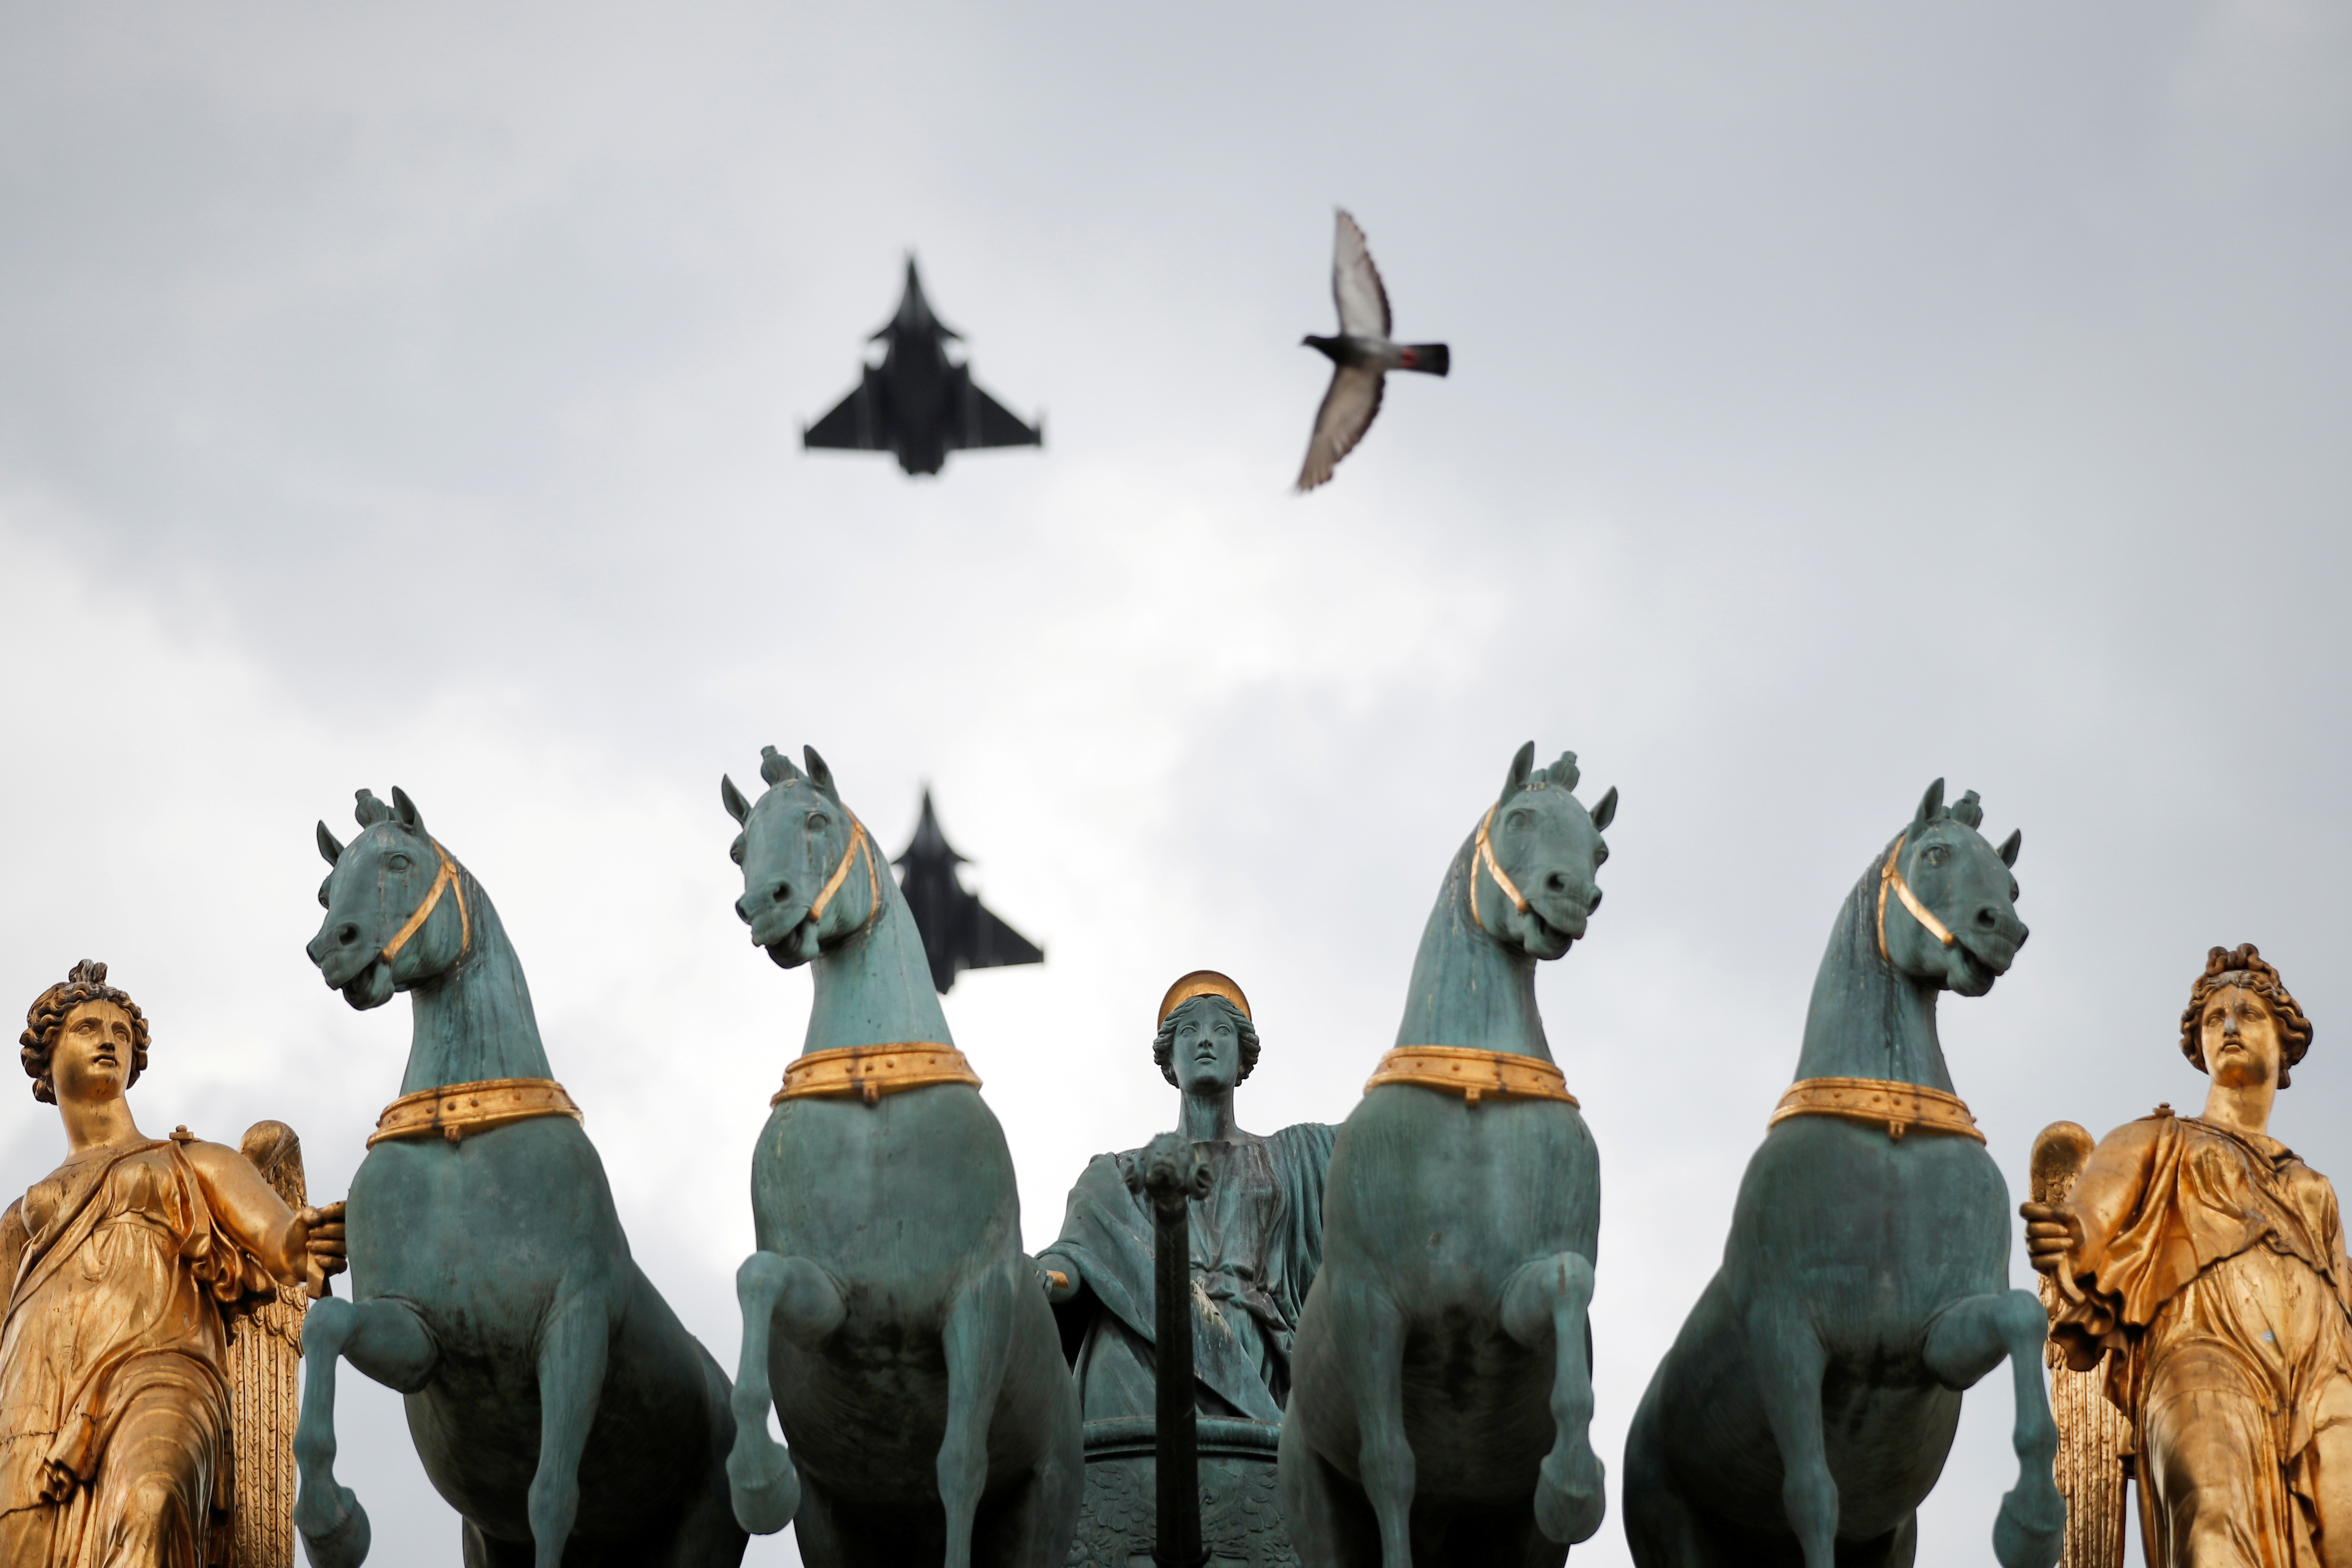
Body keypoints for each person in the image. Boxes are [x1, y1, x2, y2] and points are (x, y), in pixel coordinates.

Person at [0, 961, 346, 1567]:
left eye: (120, 1030)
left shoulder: (192, 1161)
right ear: (45, 1062)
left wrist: (311, 1238)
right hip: (35, 1395)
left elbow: (281, 1239)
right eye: (87, 1027)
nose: (109, 1038)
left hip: (162, 1368)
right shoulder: (21, 1217)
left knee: (155, 1497)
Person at [2025, 943, 2352, 1568]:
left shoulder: (2314, 1189)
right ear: (2198, 1045)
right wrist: (2067, 1239)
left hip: (2321, 1375)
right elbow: (2090, 1219)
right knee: (2211, 1517)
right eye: (2212, 1019)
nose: (2227, 1027)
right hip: (2200, 1351)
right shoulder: (2154, 1139)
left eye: (2247, 1014)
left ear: (2283, 1044)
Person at [1038, 972, 1334, 1422]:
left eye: (1221, 1031)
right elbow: (1077, 1260)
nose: (1205, 1042)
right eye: (1189, 1032)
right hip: (1140, 1350)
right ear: (1169, 1062)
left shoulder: (1294, 1156)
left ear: (1242, 1059)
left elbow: (1381, 1146)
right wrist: (1040, 1278)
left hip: (1249, 1350)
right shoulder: (1117, 1175)